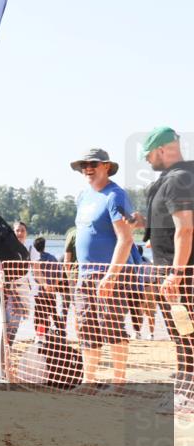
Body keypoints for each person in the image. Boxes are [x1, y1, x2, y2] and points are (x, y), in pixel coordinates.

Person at [71, 149, 139, 390]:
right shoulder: (82, 196)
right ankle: (89, 381)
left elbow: (125, 239)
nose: (87, 168)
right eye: (83, 165)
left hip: (112, 274)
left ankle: (118, 383)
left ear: (106, 166)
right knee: (86, 326)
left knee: (111, 326)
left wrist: (111, 275)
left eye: (93, 164)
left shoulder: (115, 196)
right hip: (85, 274)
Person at [136, 127, 194, 412]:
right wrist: (143, 225)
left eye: (148, 155)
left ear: (160, 150)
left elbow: (185, 229)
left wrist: (175, 273)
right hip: (175, 272)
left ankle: (188, 394)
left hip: (181, 276)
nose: (147, 161)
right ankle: (185, 386)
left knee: (186, 334)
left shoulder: (180, 179)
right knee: (181, 335)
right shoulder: (177, 178)